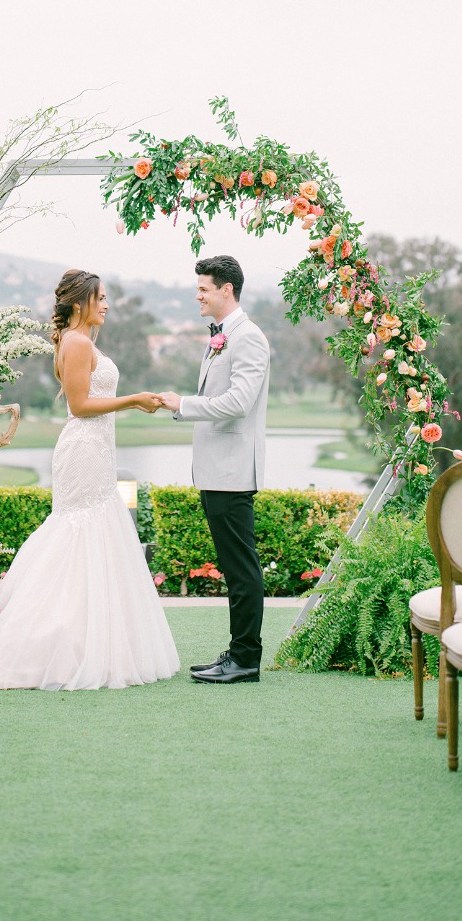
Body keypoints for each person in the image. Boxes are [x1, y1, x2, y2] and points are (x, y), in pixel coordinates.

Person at [0, 268, 179, 690]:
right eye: (100, 298)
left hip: (95, 447)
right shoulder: (77, 342)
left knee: (91, 529)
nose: (107, 305)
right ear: (80, 303)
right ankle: (54, 644)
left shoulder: (77, 341)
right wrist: (134, 400)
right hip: (84, 448)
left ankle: (84, 641)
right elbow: (80, 405)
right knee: (78, 530)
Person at [159, 255, 271, 684]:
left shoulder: (249, 338)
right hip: (215, 470)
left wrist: (182, 404)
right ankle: (238, 652)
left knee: (242, 569)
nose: (198, 295)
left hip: (232, 470)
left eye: (204, 288)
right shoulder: (222, 336)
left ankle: (246, 660)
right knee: (234, 567)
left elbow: (239, 403)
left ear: (227, 290)